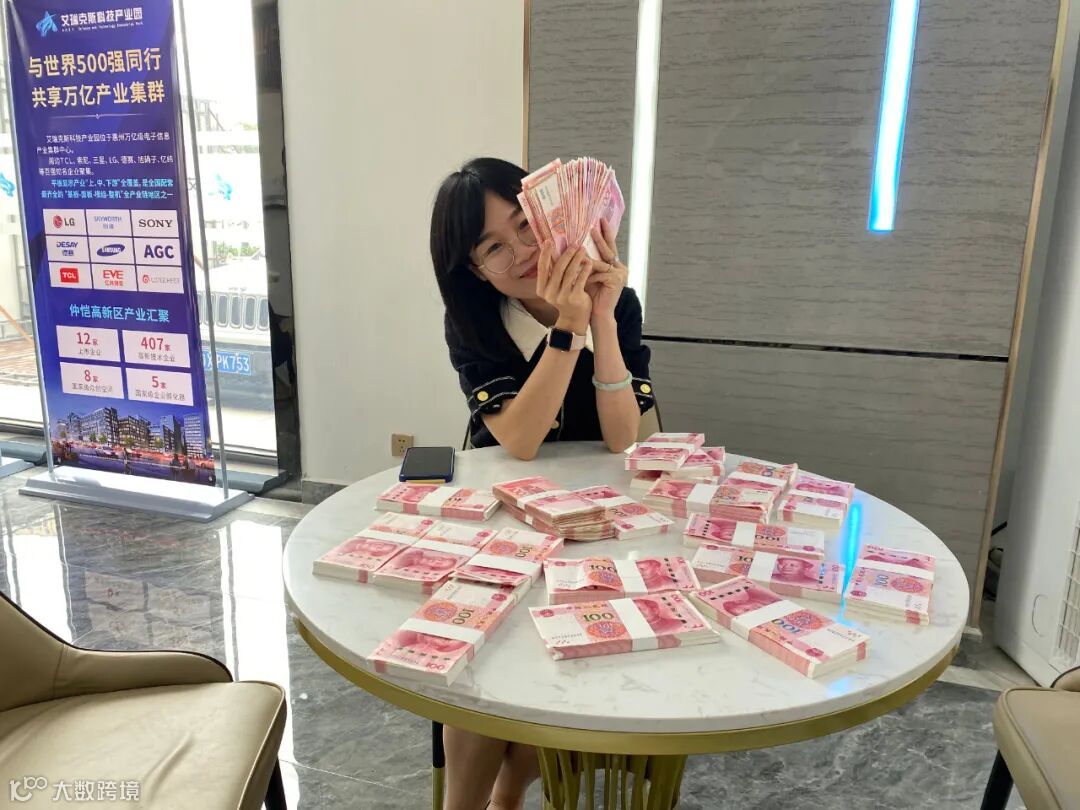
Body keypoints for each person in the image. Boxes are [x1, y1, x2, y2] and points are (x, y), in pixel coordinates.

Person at [429, 156, 657, 810]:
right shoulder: (476, 321)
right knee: (480, 665)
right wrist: (566, 328)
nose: (523, 251)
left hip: (592, 515)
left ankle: (511, 792)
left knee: (561, 659)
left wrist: (602, 317)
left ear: (555, 211)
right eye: (494, 247)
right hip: (500, 510)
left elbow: (622, 436)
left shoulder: (616, 297)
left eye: (526, 224)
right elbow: (521, 439)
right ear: (476, 270)